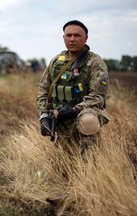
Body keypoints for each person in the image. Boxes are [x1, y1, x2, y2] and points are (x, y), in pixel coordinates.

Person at [37, 20, 109, 154]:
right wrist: (44, 116)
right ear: (63, 38)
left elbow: (98, 96)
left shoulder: (94, 62)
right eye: (68, 35)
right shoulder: (57, 61)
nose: (72, 39)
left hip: (86, 111)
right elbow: (43, 89)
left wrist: (75, 109)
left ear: (86, 38)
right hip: (61, 113)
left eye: (77, 35)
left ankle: (91, 159)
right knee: (65, 159)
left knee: (88, 121)